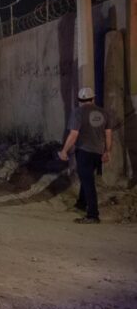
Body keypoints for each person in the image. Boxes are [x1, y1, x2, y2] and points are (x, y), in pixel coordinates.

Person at [58, 87, 113, 224]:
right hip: (98, 152)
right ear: (93, 99)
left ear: (79, 100)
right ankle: (81, 203)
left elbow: (74, 134)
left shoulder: (78, 112)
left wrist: (64, 150)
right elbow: (108, 134)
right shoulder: (104, 113)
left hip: (84, 151)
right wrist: (107, 151)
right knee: (87, 177)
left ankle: (93, 215)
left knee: (88, 182)